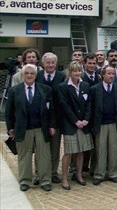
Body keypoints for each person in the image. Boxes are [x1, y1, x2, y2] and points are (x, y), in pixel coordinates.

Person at [6, 64, 56, 192]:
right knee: (24, 156)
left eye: (32, 73)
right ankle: (25, 180)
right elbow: (9, 111)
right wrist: (10, 128)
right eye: (27, 73)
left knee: (44, 155)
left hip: (41, 127)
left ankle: (45, 180)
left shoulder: (45, 89)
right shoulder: (14, 91)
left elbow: (51, 110)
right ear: (23, 75)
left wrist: (52, 125)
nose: (29, 75)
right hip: (23, 128)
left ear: (35, 75)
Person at [57, 61, 94, 190]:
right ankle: (65, 178)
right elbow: (64, 106)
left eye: (79, 71)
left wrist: (86, 120)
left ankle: (78, 175)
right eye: (75, 71)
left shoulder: (85, 86)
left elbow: (89, 104)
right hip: (70, 125)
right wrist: (76, 121)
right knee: (68, 152)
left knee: (80, 151)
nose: (77, 73)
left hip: (84, 125)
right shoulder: (63, 87)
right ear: (70, 72)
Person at [35, 52, 65, 184]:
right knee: (40, 147)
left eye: (53, 62)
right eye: (48, 62)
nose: (50, 65)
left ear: (56, 64)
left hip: (57, 117)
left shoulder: (62, 76)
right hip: (40, 118)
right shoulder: (37, 76)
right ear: (43, 64)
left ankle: (53, 172)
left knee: (55, 146)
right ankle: (39, 173)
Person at [90, 66, 117, 185]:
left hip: (114, 123)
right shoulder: (94, 89)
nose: (111, 76)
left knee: (113, 149)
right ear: (103, 75)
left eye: (113, 74)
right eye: (109, 73)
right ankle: (99, 174)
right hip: (101, 124)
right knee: (101, 149)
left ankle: (113, 173)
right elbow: (91, 107)